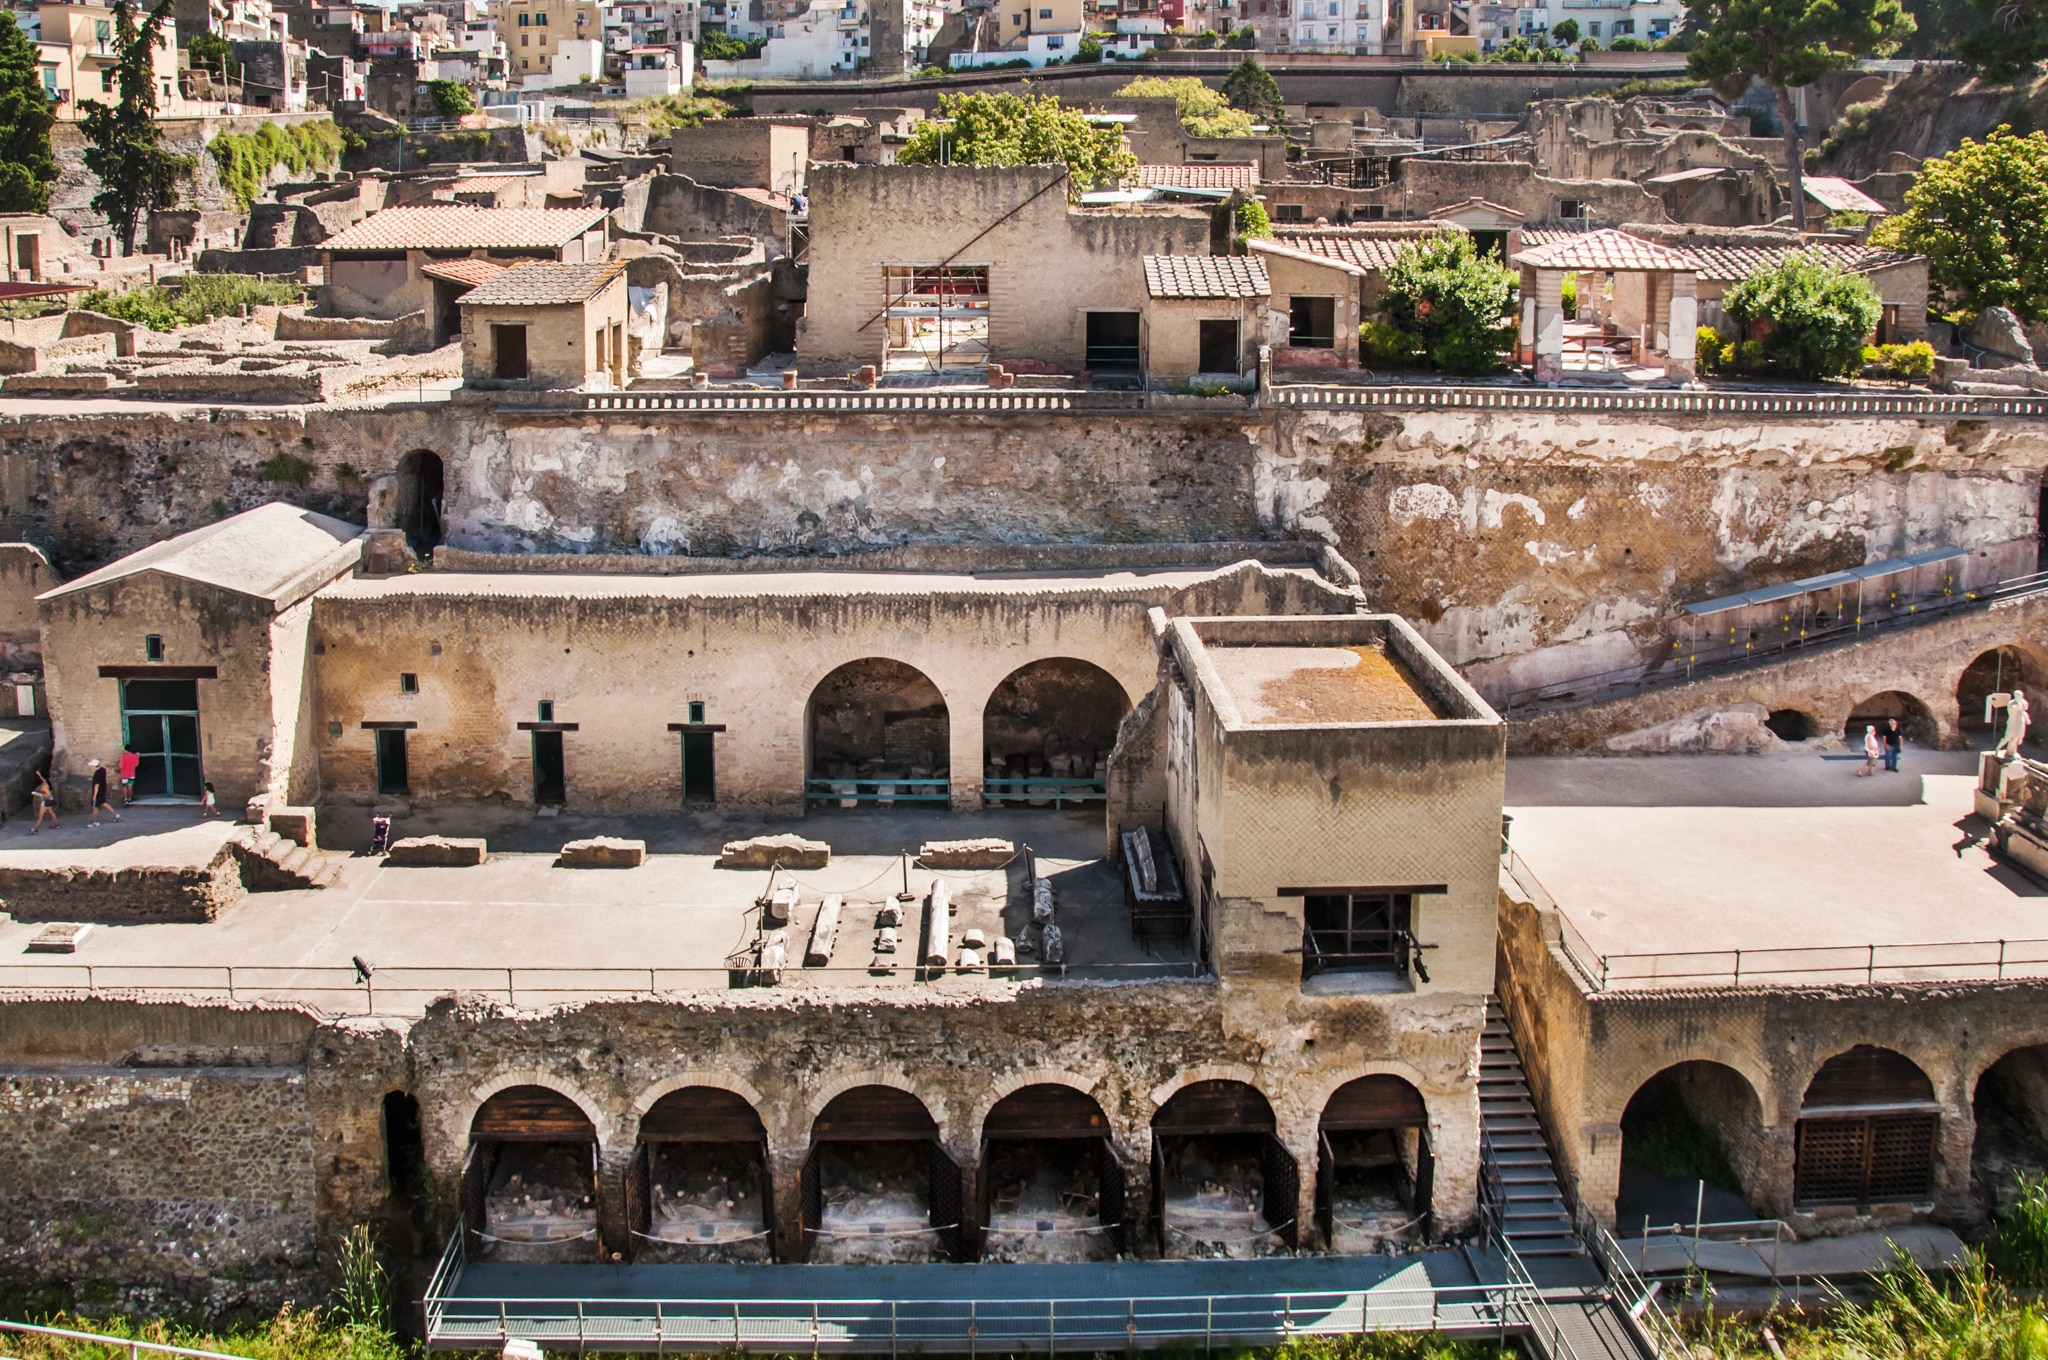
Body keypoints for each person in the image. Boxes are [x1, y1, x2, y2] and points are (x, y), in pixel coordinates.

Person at [87, 759, 120, 827]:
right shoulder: (102, 769)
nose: (90, 767)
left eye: (91, 766)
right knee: (104, 804)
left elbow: (96, 785)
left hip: (98, 793)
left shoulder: (97, 774)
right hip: (103, 790)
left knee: (95, 807)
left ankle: (95, 822)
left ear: (94, 766)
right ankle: (116, 815)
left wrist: (94, 795)